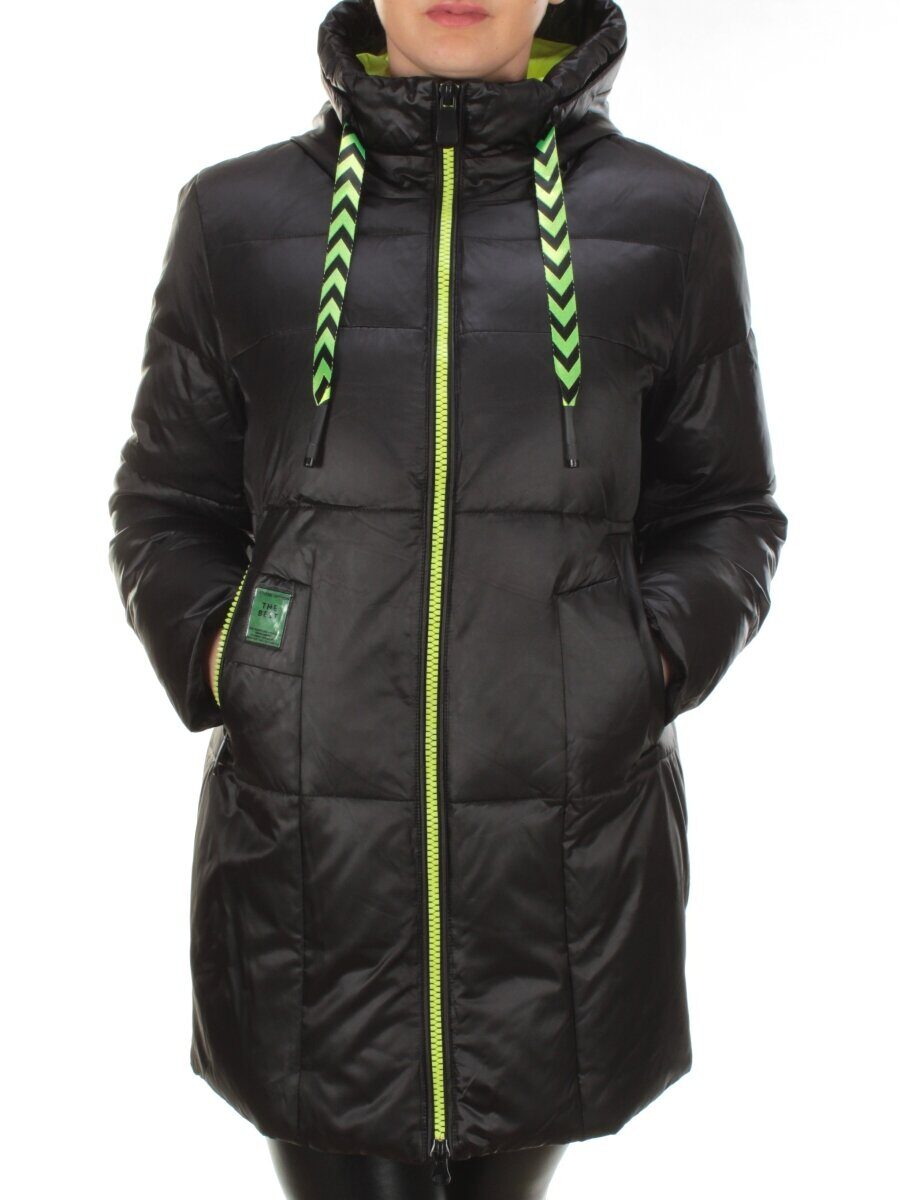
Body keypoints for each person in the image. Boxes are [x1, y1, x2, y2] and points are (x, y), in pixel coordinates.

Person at [107, 1, 788, 1197]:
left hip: (557, 871)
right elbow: (166, 506)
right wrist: (233, 663)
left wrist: (637, 665)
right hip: (312, 869)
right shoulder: (235, 217)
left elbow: (727, 509)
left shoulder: (668, 218)